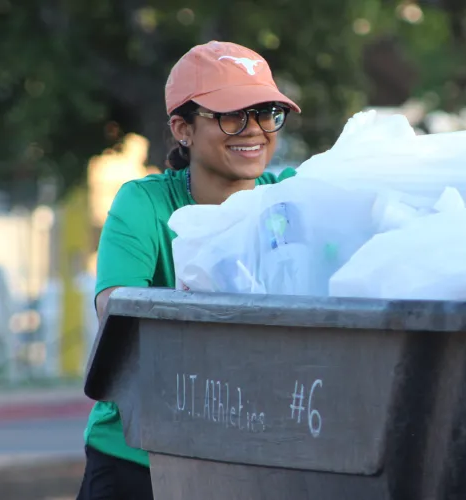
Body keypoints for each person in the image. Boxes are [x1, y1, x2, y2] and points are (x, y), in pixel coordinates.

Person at [77, 40, 300, 499]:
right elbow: (118, 317)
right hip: (140, 457)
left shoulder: (293, 197)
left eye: (265, 112)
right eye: (231, 115)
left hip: (256, 456)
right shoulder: (144, 204)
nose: (254, 129)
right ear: (183, 128)